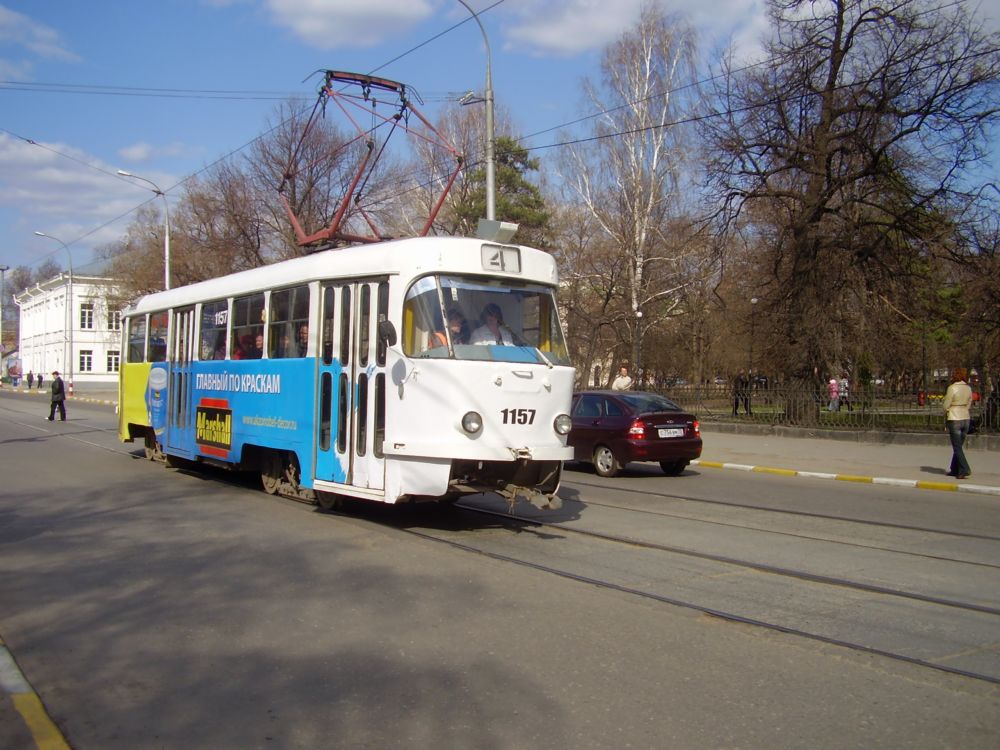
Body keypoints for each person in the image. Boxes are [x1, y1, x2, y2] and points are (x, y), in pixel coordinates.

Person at [943, 367, 973, 479]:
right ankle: (955, 469)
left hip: (954, 417)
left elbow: (946, 404)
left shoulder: (952, 388)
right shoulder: (968, 388)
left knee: (957, 447)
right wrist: (964, 408)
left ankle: (965, 469)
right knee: (959, 446)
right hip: (965, 417)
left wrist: (946, 410)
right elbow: (970, 401)